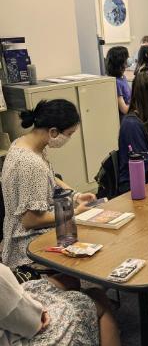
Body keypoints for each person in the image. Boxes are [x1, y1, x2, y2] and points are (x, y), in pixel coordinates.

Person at [1, 99, 96, 269]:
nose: (69, 138)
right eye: (69, 134)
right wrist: (72, 213)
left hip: (25, 235)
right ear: (53, 132)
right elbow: (30, 221)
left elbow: (50, 178)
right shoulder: (30, 163)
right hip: (27, 246)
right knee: (92, 246)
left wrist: (76, 195)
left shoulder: (25, 144)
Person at [0, 263, 125, 346]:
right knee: (95, 297)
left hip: (11, 324)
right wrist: (39, 310)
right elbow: (34, 325)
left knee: (69, 279)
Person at [106, 46, 131, 120]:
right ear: (120, 62)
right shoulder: (116, 82)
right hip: (126, 119)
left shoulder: (122, 77)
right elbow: (124, 109)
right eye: (126, 59)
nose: (128, 61)